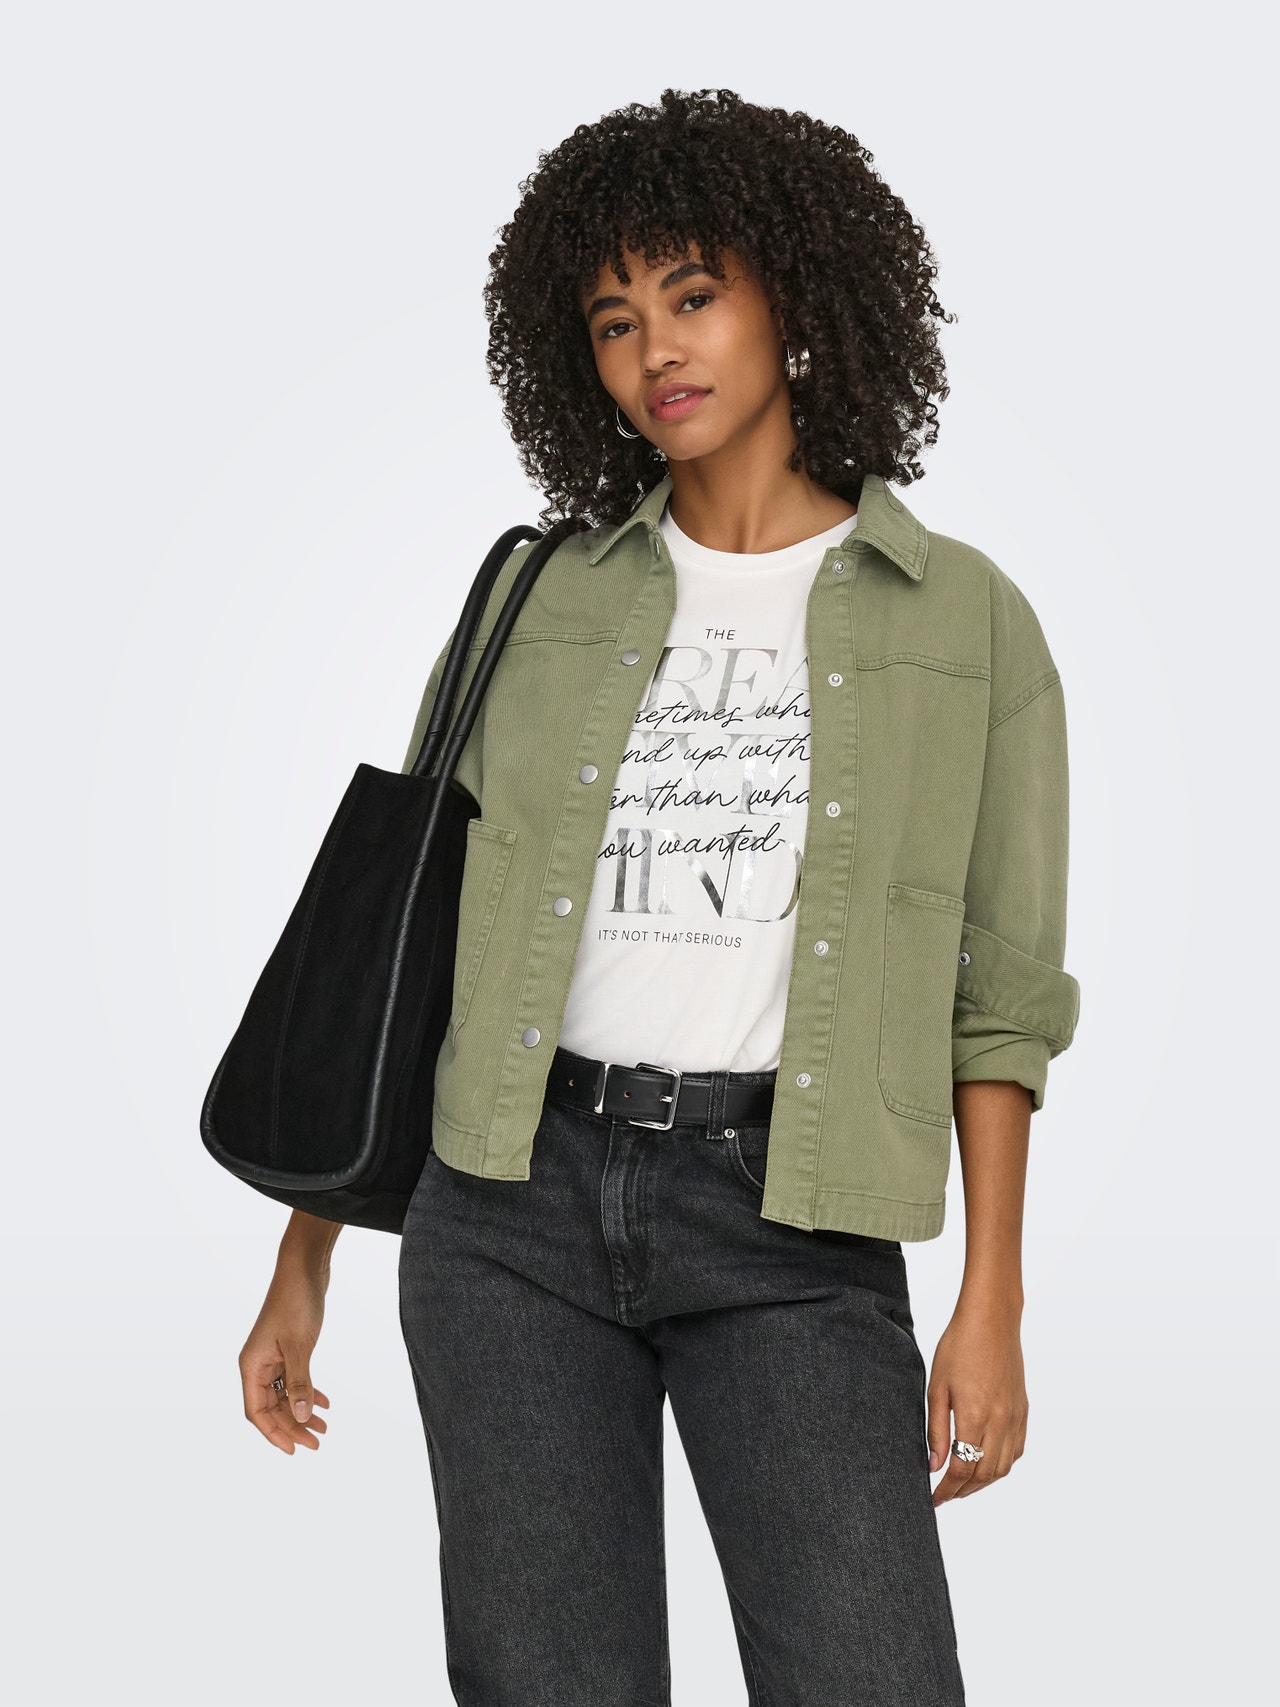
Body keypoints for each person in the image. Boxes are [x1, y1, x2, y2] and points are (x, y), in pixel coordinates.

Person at [237, 88, 1080, 1707]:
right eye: (615, 321)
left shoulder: (966, 622)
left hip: (795, 1224)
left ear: (794, 296)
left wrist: (996, 1298)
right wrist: (306, 1254)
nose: (655, 352)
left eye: (693, 295)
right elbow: (401, 946)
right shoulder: (539, 598)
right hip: (509, 1212)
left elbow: (1003, 995)